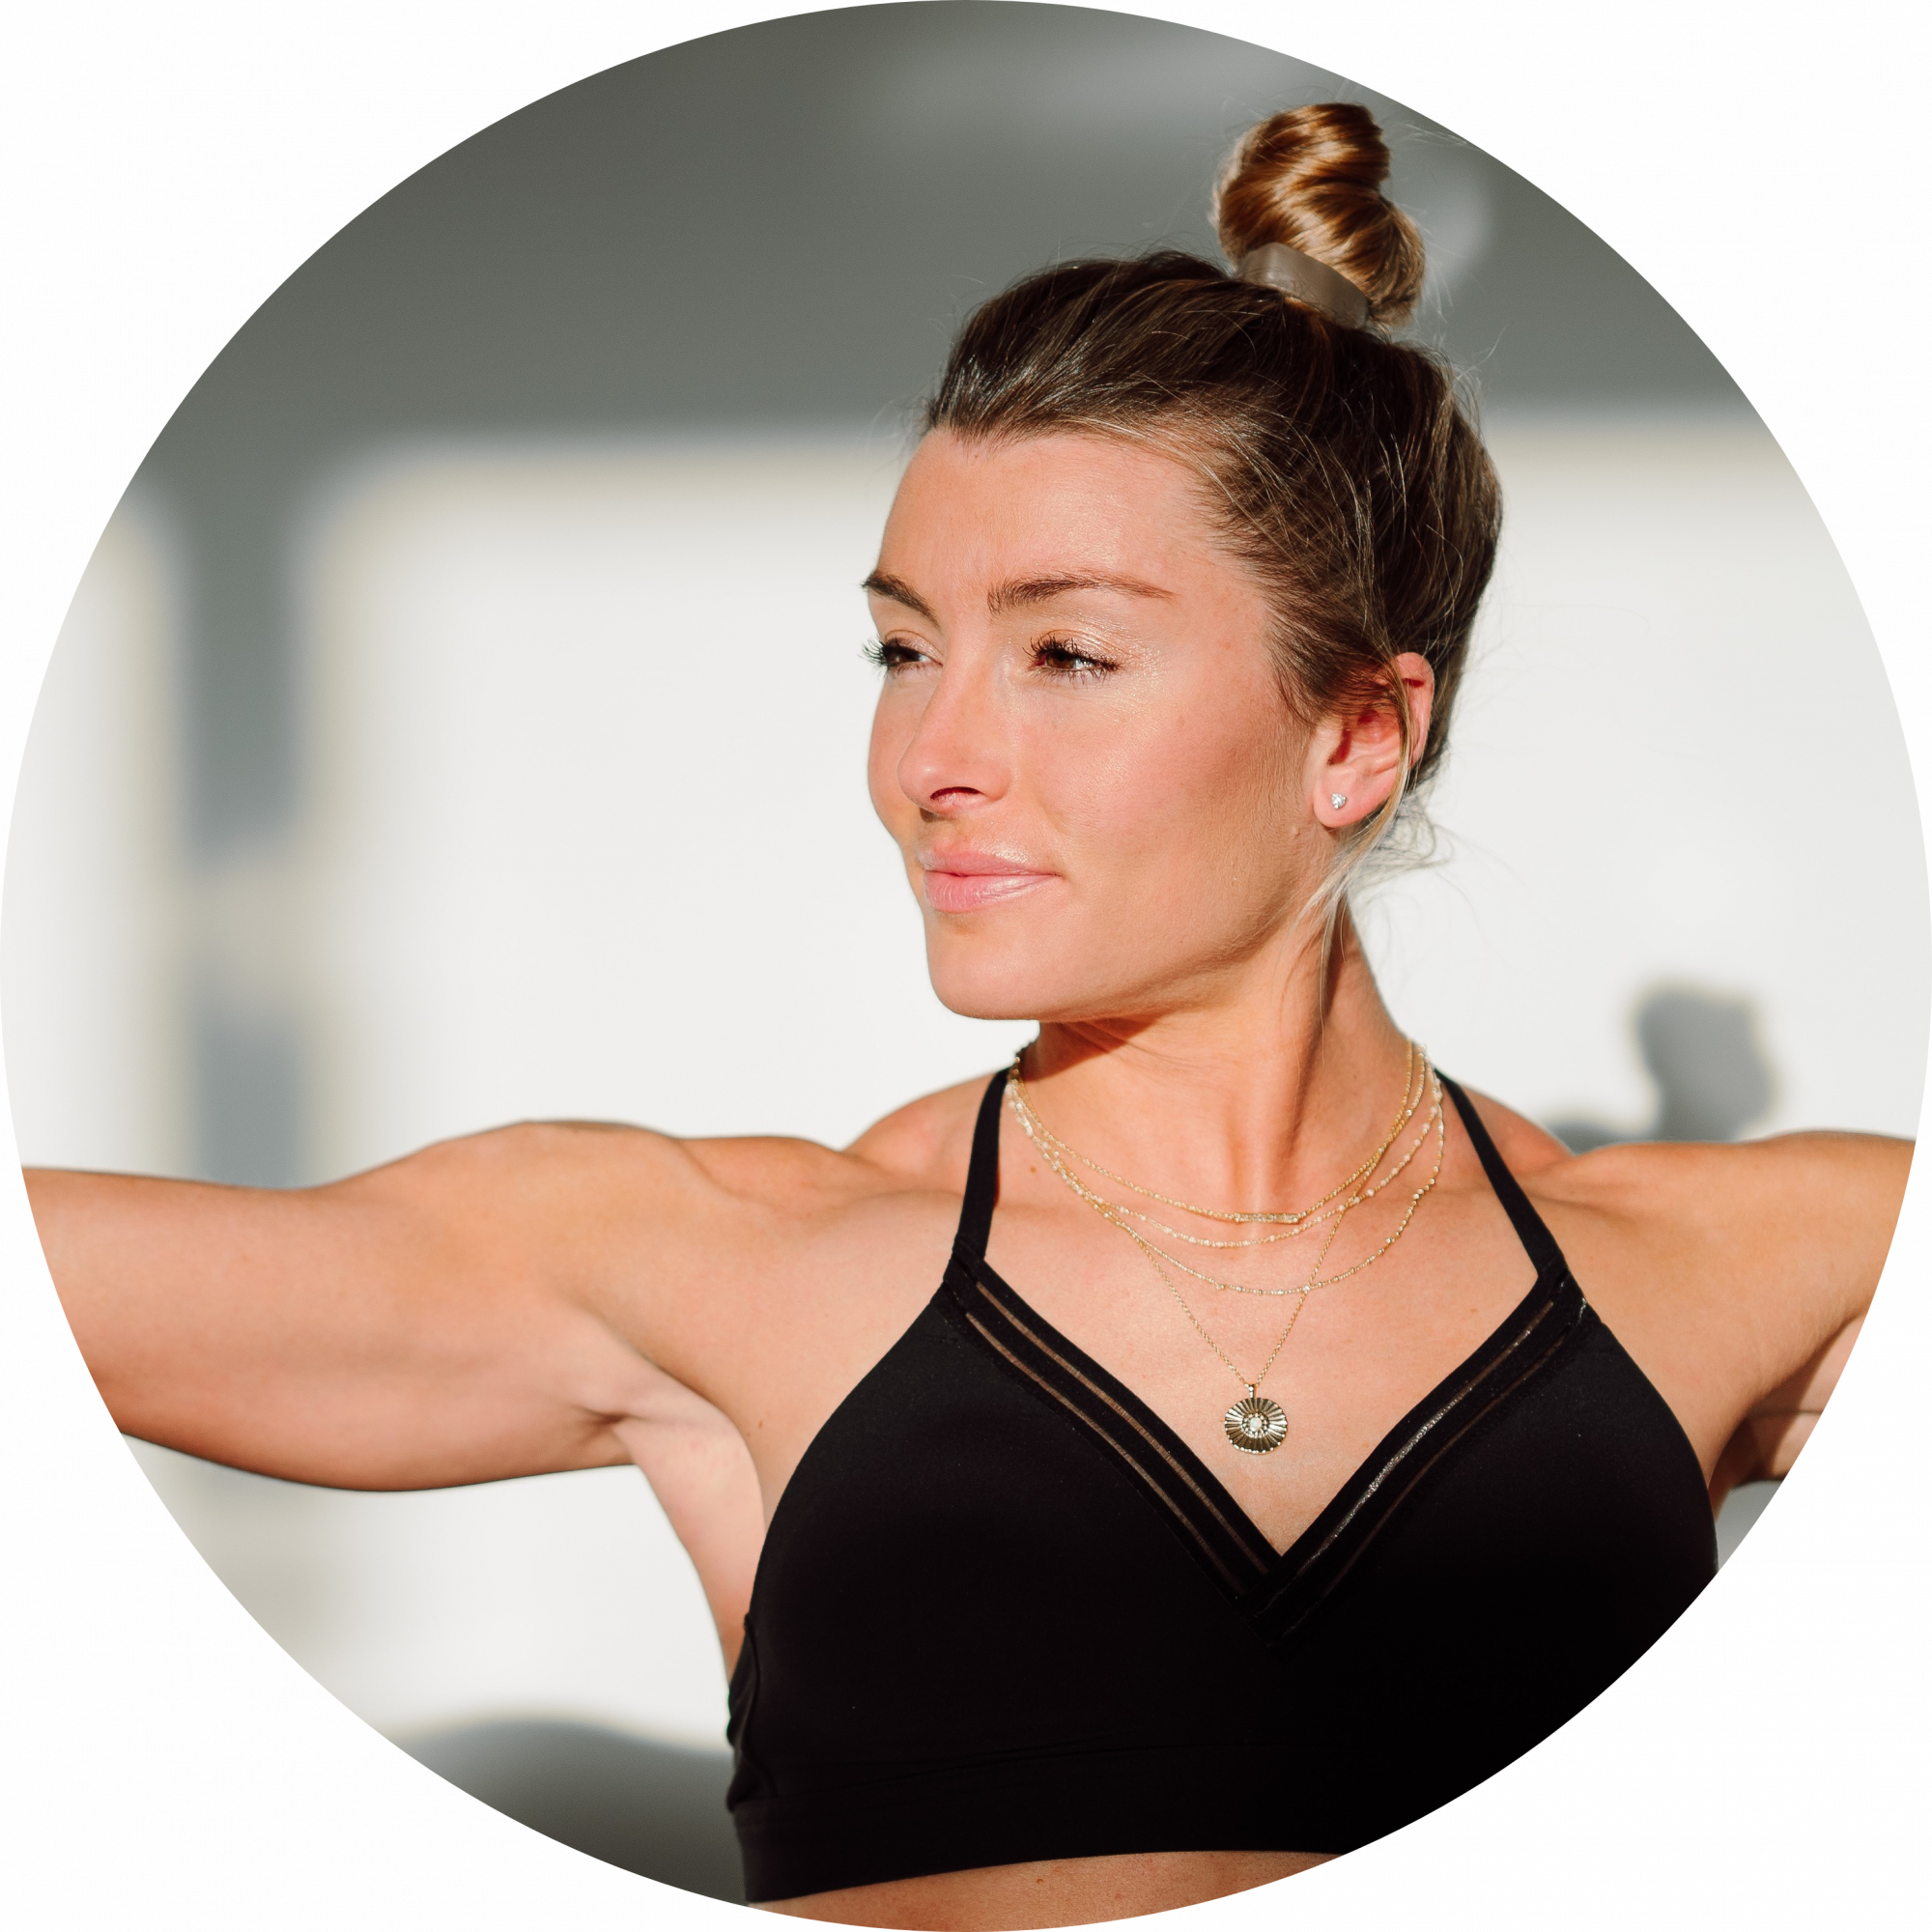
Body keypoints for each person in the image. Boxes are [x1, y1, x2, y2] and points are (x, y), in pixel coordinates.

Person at [27, 105, 1904, 1929]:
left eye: (1064, 653)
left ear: (1354, 735)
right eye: (904, 648)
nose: (931, 755)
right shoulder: (733, 1267)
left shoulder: (1739, 1270)